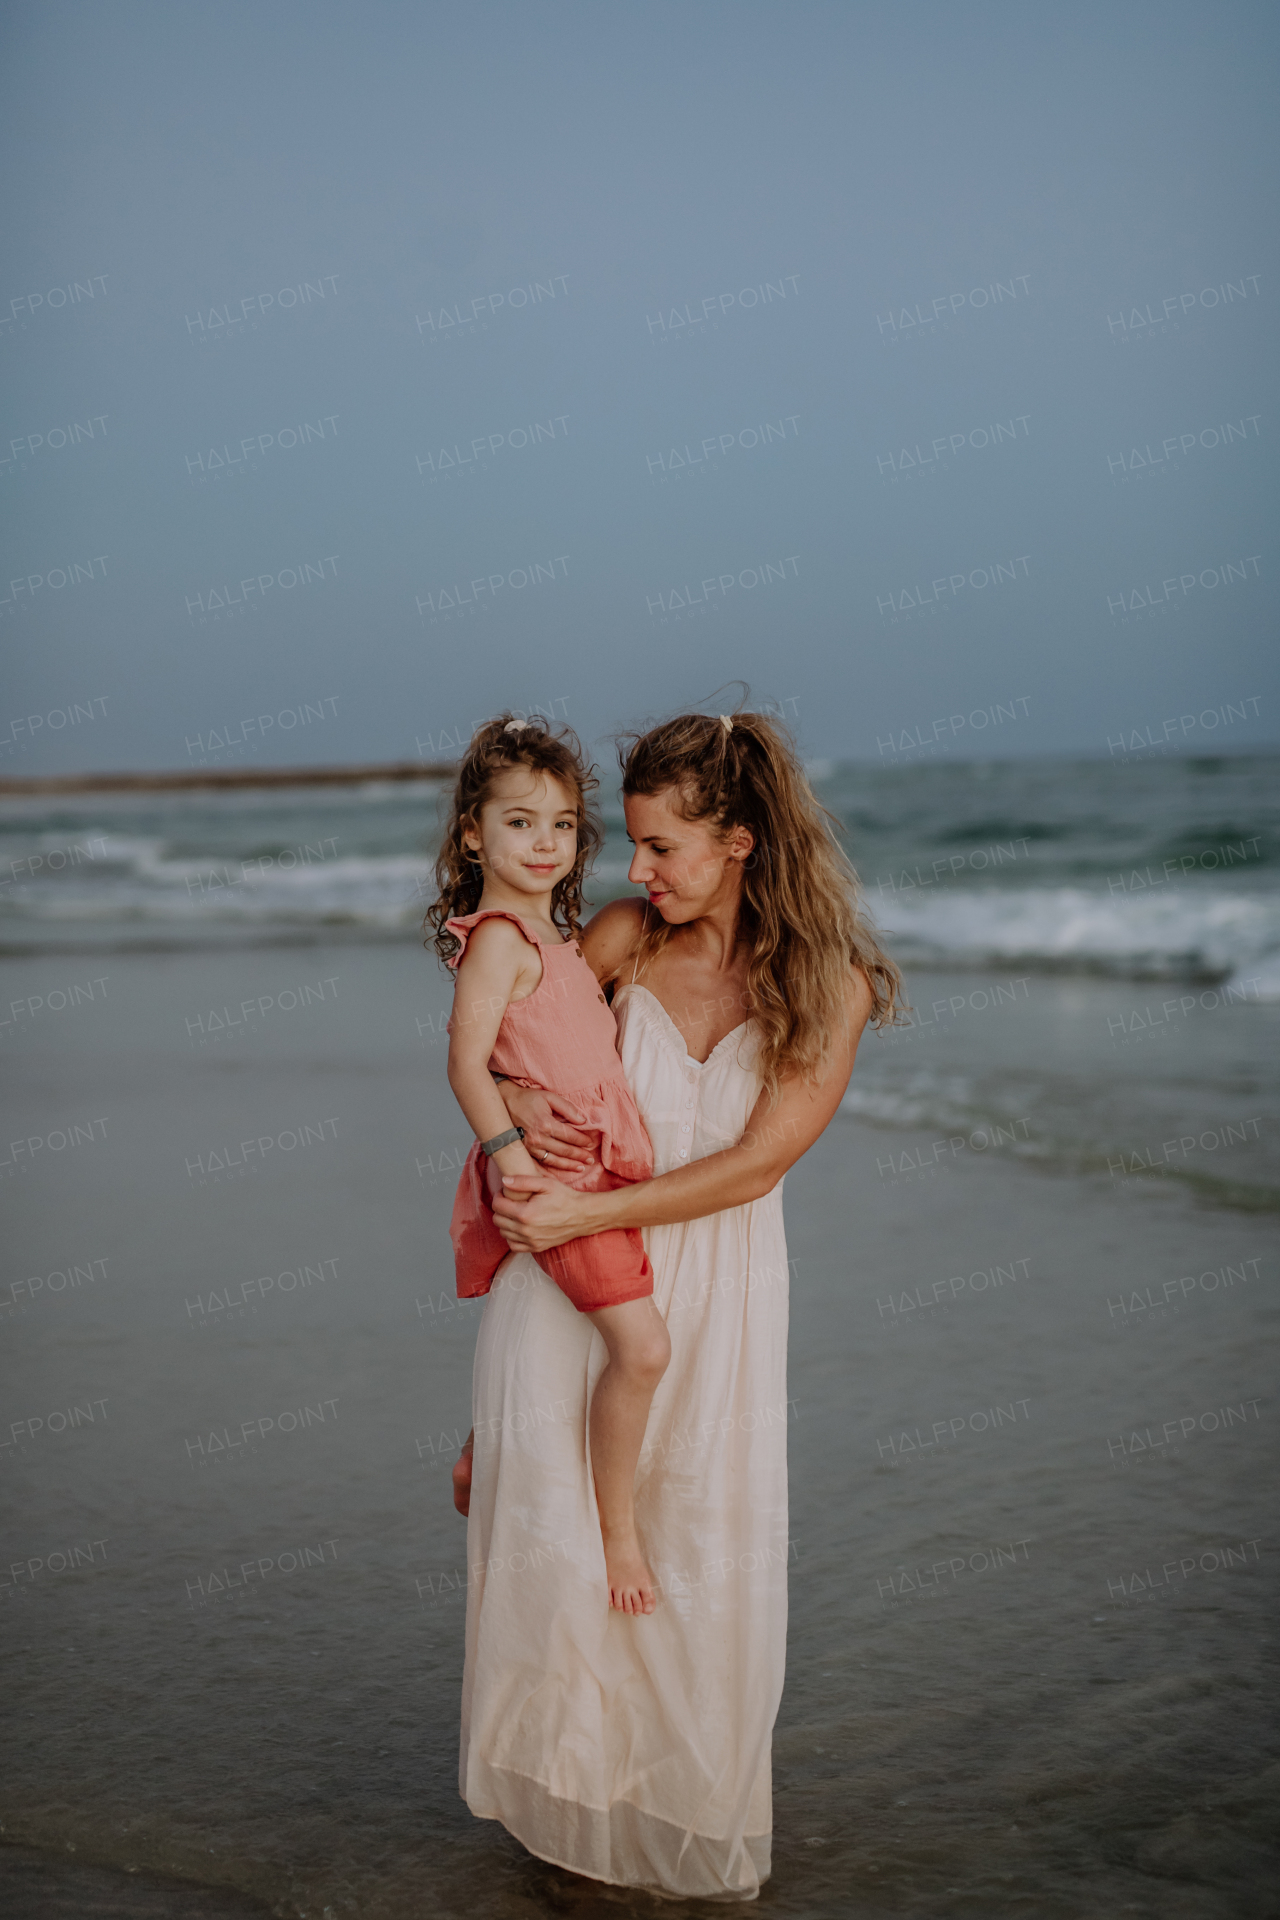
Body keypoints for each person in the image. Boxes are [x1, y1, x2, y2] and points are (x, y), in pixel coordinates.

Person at [451, 708, 903, 1900]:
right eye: (633, 847)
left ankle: (666, 1828)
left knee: (694, 1564)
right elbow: (505, 1052)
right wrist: (513, 1099)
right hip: (569, 1299)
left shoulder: (828, 983)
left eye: (661, 849)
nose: (634, 873)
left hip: (717, 1306)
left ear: (742, 841)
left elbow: (756, 1166)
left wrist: (590, 1216)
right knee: (565, 1569)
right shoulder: (617, 943)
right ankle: (566, 1848)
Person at [427, 714, 672, 1614]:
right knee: (642, 1351)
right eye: (520, 821)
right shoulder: (497, 937)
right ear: (473, 833)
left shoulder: (561, 941)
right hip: (558, 1180)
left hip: (603, 1173)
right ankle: (620, 1536)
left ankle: (480, 1448)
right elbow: (463, 1059)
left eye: (563, 824)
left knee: (567, 1346)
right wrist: (508, 1152)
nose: (544, 842)